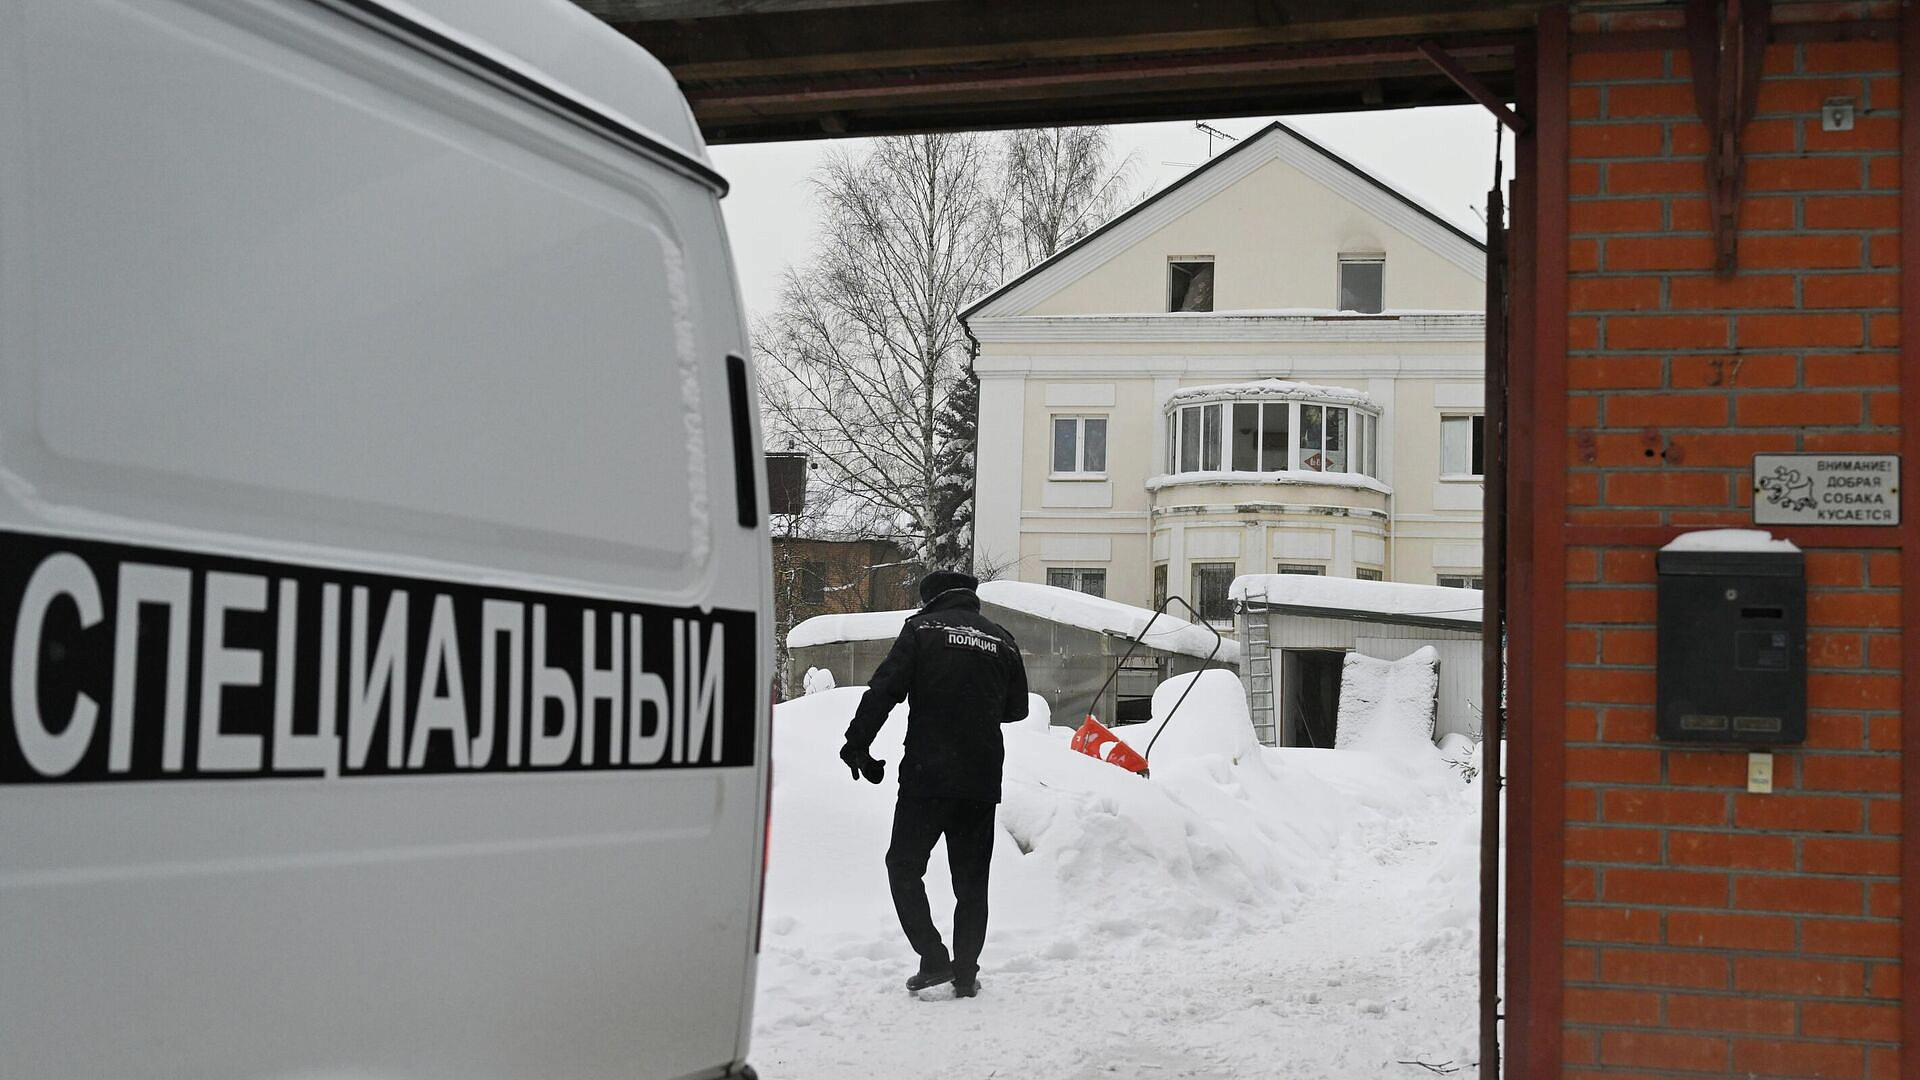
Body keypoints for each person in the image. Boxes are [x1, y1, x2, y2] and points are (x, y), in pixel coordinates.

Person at [839, 569, 1029, 999]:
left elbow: (884, 690)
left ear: (931, 599)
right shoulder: (1002, 639)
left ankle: (933, 957)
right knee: (971, 882)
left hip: (928, 774)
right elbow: (1016, 709)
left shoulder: (921, 630)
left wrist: (857, 744)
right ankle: (965, 973)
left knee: (903, 866)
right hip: (980, 777)